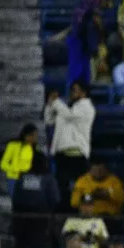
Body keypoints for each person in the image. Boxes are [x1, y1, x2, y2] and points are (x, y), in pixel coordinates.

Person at [3, 156, 59, 248]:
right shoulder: (48, 179)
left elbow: (15, 197)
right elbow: (55, 198)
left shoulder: (23, 177)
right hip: (39, 217)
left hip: (22, 216)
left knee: (19, 246)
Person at [45, 81, 96, 210]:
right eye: (72, 90)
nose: (72, 93)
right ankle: (63, 213)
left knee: (80, 187)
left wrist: (56, 102)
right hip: (62, 155)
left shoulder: (87, 107)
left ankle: (81, 213)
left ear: (84, 93)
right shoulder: (66, 107)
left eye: (75, 90)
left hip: (77, 155)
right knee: (62, 188)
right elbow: (48, 120)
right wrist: (50, 103)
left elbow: (70, 115)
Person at [0, 124, 38, 197]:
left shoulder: (35, 149)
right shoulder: (13, 145)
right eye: (33, 135)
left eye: (36, 136)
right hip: (14, 179)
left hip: (29, 179)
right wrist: (16, 169)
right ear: (26, 135)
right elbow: (3, 164)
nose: (35, 138)